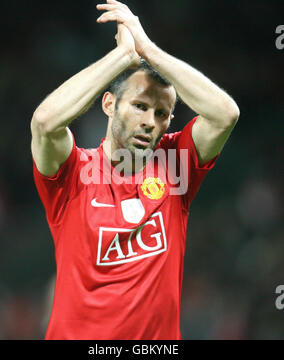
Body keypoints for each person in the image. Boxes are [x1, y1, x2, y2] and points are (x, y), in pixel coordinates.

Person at [31, 0, 240, 340]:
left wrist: (147, 49)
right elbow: (44, 122)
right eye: (140, 106)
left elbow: (225, 114)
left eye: (161, 113)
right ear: (110, 104)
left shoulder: (176, 167)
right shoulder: (73, 172)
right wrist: (124, 58)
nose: (149, 121)